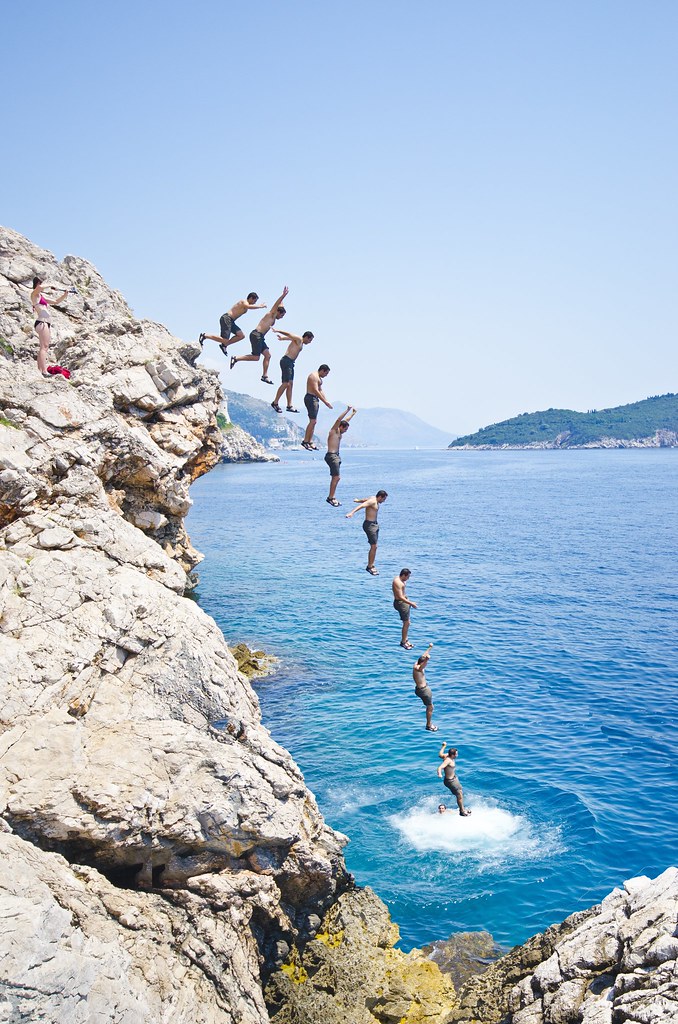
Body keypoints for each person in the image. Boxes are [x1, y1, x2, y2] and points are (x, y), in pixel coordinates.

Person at [230, 285, 289, 383]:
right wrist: (283, 296)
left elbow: (280, 305)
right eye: (282, 315)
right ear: (277, 312)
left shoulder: (275, 316)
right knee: (256, 357)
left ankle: (264, 376)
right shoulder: (271, 314)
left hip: (260, 337)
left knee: (268, 355)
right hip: (256, 335)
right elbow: (277, 304)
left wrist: (283, 299)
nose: (281, 318)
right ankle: (236, 358)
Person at [199, 293, 266, 356]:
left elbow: (248, 307)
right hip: (227, 318)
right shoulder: (243, 302)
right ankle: (205, 335)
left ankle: (224, 345)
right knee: (224, 339)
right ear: (251, 298)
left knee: (241, 336)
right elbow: (248, 306)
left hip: (231, 322)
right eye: (255, 300)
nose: (255, 303)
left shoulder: (246, 307)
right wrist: (260, 306)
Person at [31, 276, 69, 375]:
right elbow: (39, 288)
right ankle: (44, 370)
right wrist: (50, 285)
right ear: (37, 284)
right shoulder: (34, 294)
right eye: (40, 283)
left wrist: (65, 294)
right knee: (44, 347)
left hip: (45, 323)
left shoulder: (41, 297)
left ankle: (40, 369)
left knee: (43, 347)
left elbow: (56, 302)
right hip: (42, 322)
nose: (41, 285)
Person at [270, 330, 314, 413]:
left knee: (290, 384)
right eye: (310, 340)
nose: (310, 342)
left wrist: (282, 338)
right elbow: (289, 334)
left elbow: (290, 338)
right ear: (306, 337)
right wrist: (277, 331)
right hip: (286, 361)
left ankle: (289, 405)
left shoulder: (298, 341)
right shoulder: (299, 339)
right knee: (286, 383)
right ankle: (275, 402)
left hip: (290, 363)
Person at [345, 491, 388, 574]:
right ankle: (370, 566)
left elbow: (365, 500)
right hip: (370, 526)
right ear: (380, 497)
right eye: (384, 499)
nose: (384, 501)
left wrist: (358, 500)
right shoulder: (373, 501)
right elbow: (362, 506)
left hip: (374, 525)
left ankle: (371, 565)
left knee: (374, 546)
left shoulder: (372, 498)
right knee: (374, 547)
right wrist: (351, 513)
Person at [324, 407, 356, 506]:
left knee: (336, 477)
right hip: (332, 456)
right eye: (345, 429)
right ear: (341, 427)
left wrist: (353, 414)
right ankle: (331, 497)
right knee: (336, 477)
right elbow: (339, 420)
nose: (346, 431)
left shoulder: (340, 431)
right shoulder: (334, 431)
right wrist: (347, 410)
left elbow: (345, 421)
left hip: (335, 456)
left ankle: (331, 497)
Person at [302, 365, 332, 450]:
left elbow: (320, 390)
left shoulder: (319, 379)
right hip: (310, 398)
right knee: (312, 421)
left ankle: (309, 441)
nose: (326, 375)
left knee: (314, 422)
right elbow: (315, 390)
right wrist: (325, 402)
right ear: (322, 370)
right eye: (326, 373)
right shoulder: (313, 376)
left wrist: (326, 400)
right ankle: (305, 441)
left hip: (315, 399)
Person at [437, 742, 471, 816]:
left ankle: (462, 808)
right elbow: (440, 767)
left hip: (454, 779)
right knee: (460, 795)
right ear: (453, 755)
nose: (457, 755)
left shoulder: (446, 755)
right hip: (450, 781)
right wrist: (439, 774)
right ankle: (462, 812)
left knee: (460, 791)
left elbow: (440, 755)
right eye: (456, 754)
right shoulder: (448, 760)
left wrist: (443, 746)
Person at [413, 643, 436, 729]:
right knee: (430, 707)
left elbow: (423, 656)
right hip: (423, 690)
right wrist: (427, 660)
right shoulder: (419, 668)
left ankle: (429, 724)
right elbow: (424, 663)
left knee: (429, 706)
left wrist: (429, 648)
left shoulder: (415, 664)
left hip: (419, 689)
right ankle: (428, 725)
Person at [393, 569, 417, 649]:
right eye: (408, 577)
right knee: (406, 623)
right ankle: (403, 642)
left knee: (407, 623)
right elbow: (399, 596)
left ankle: (405, 639)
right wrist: (411, 603)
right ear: (403, 575)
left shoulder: (400, 580)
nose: (408, 578)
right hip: (400, 603)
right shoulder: (398, 582)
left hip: (403, 602)